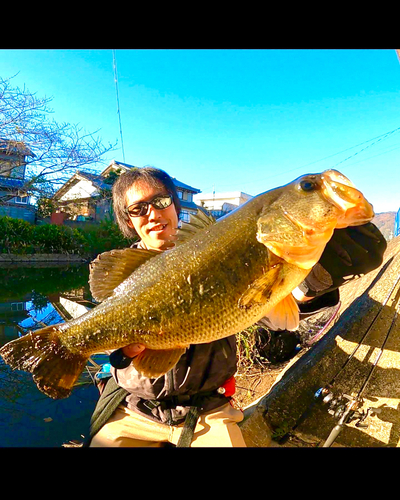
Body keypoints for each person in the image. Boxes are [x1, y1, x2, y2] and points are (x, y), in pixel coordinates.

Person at [88, 166, 386, 447]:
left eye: (161, 201)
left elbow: (275, 316)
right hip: (132, 409)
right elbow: (107, 341)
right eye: (138, 209)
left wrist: (314, 286)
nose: (152, 213)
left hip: (208, 412)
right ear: (129, 221)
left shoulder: (227, 247)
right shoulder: (121, 279)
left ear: (176, 207)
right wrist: (121, 356)